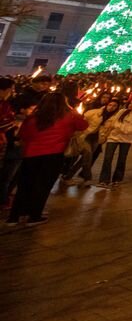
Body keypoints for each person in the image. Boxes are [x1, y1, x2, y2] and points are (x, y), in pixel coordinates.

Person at [5, 91, 86, 226]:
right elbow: (83, 125)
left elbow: (23, 135)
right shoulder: (69, 116)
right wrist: (73, 110)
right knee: (43, 185)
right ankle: (34, 215)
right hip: (53, 155)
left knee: (25, 185)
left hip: (31, 155)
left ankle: (15, 216)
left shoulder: (32, 118)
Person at [98, 99, 132, 188]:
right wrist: (124, 128)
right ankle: (104, 179)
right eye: (130, 103)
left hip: (127, 140)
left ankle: (117, 179)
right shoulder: (122, 111)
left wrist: (122, 128)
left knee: (122, 159)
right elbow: (115, 123)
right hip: (113, 137)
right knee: (108, 158)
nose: (130, 105)